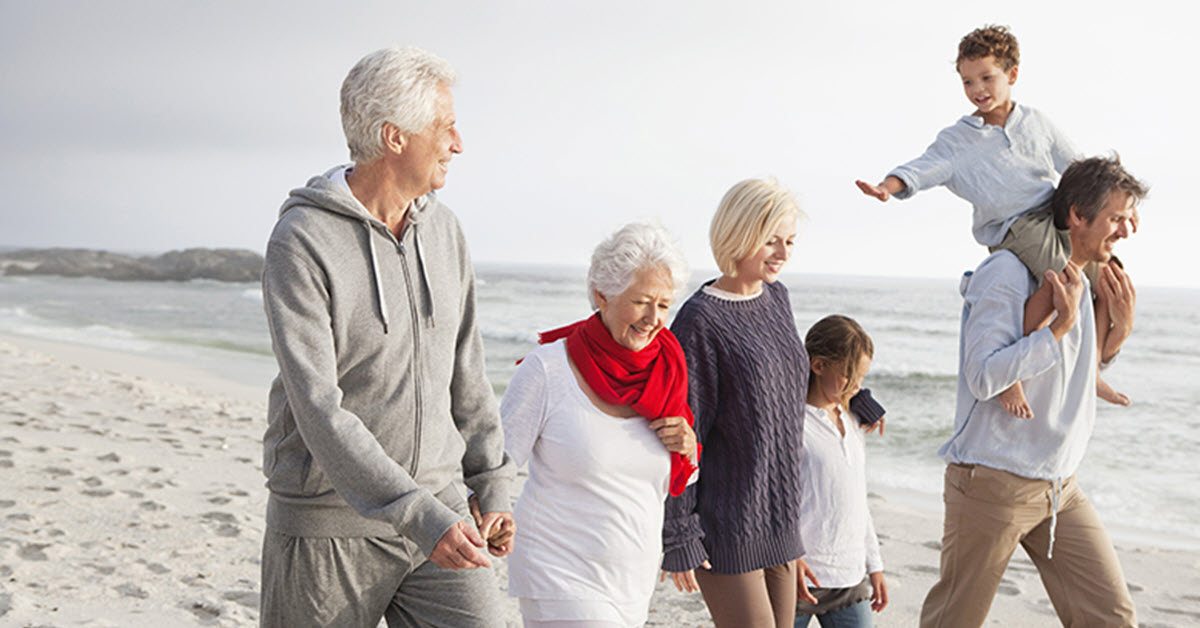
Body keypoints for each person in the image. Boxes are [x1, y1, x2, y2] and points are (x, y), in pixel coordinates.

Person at [258, 46, 514, 628]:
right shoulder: (303, 240)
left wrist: (491, 483)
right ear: (394, 137)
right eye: (445, 127)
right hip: (328, 523)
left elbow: (467, 372)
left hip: (442, 509)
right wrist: (416, 514)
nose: (458, 144)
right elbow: (318, 407)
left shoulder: (444, 230)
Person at [854, 24, 1132, 417]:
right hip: (1015, 227)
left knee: (1107, 278)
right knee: (1062, 280)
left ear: (1012, 74)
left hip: (1054, 216)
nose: (977, 89)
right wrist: (888, 186)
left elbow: (1079, 168)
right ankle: (1010, 373)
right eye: (968, 81)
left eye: (987, 78)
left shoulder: (1036, 122)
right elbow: (922, 167)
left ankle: (1093, 368)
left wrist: (1120, 206)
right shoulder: (958, 140)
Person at [919, 155, 1146, 628]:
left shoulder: (1085, 277)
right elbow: (984, 377)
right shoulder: (1006, 272)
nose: (1126, 231)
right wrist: (1057, 328)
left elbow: (1075, 369)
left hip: (1061, 486)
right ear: (1077, 215)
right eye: (1116, 218)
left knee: (1112, 618)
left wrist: (1119, 333)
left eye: (1129, 218)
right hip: (993, 482)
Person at [501, 222, 700, 628]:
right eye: (641, 302)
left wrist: (689, 449)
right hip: (558, 573)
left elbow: (670, 480)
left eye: (664, 305)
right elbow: (496, 460)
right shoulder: (548, 369)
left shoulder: (668, 371)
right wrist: (489, 514)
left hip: (633, 582)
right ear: (601, 296)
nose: (654, 319)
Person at [661, 177, 816, 628]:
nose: (783, 253)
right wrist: (680, 533)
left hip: (781, 520)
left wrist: (850, 397)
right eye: (771, 240)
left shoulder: (777, 298)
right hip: (727, 525)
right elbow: (683, 433)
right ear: (739, 233)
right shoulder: (700, 321)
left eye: (790, 241)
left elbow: (783, 383)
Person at [794, 315, 887, 627]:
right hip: (800, 575)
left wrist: (874, 565)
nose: (858, 385)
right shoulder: (793, 423)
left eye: (862, 376)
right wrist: (790, 556)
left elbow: (857, 499)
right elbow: (774, 500)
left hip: (850, 576)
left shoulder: (854, 420)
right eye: (849, 375)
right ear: (818, 365)